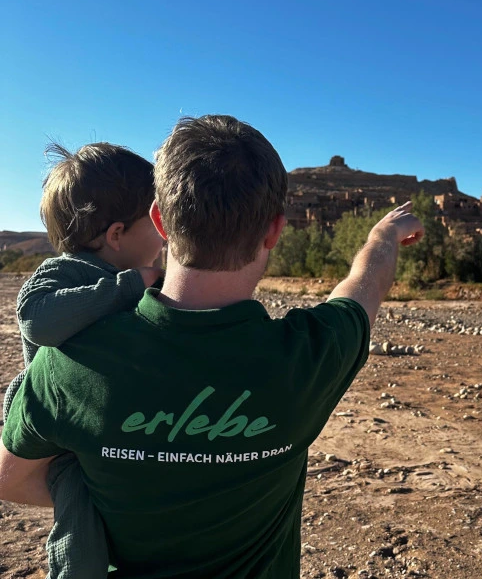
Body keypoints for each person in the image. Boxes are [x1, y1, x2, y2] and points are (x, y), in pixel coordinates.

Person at [0, 114, 424, 578]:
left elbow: (10, 478)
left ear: (161, 219)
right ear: (274, 231)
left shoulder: (69, 361)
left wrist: (109, 490)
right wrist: (383, 237)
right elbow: (364, 287)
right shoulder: (312, 356)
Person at [2, 142, 164, 578]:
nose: (165, 235)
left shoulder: (138, 277)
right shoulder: (67, 273)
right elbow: (38, 320)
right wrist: (129, 287)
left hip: (109, 425)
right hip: (63, 438)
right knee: (82, 534)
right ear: (115, 234)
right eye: (155, 223)